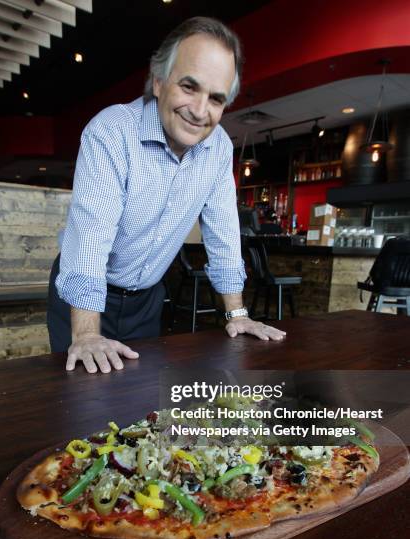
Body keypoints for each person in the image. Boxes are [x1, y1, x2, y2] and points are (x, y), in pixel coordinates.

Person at [47, 16, 286, 374]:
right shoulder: (112, 131)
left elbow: (223, 233)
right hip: (81, 298)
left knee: (139, 409)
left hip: (147, 299)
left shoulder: (219, 147)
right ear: (158, 81)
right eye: (189, 87)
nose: (200, 111)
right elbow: (90, 239)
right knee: (82, 406)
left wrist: (238, 314)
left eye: (216, 99)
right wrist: (86, 334)